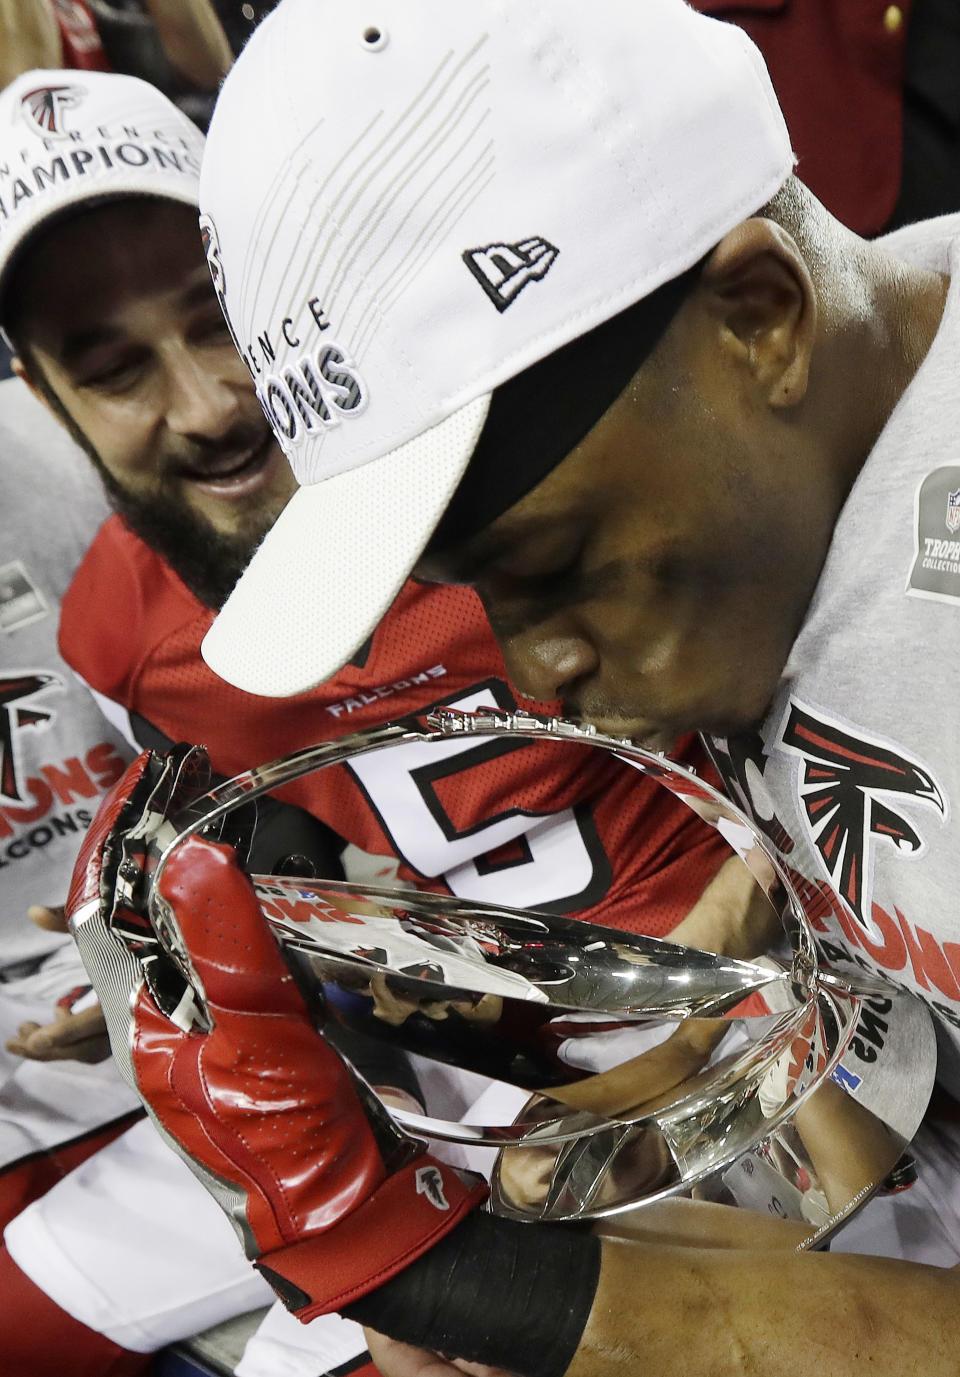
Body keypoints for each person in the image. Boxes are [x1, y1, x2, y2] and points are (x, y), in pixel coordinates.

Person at [66, 1, 960, 1374]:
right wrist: (590, 1134)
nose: (543, 676)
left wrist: (486, 1285)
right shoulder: (822, 465)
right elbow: (837, 885)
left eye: (551, 566)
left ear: (761, 317)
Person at [0, 60, 753, 1376]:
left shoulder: (533, 435)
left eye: (220, 315)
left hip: (750, 1015)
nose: (210, 403)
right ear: (44, 398)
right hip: (460, 1043)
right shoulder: (125, 621)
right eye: (113, 367)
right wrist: (140, 939)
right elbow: (229, 811)